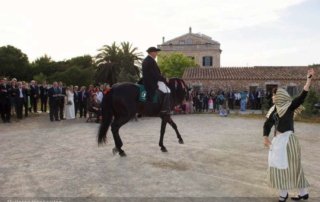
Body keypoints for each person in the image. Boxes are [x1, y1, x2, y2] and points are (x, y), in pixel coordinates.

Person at [263, 68, 314, 202]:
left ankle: (286, 194)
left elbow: (302, 96)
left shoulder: (289, 106)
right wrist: (265, 137)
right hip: (278, 142)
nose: (273, 97)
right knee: (280, 166)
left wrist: (308, 80)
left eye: (275, 95)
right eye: (273, 95)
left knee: (292, 167)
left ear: (280, 96)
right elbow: (267, 124)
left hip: (289, 142)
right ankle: (302, 193)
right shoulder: (273, 110)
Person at [142, 46, 171, 115]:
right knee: (167, 90)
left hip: (148, 80)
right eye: (155, 52)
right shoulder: (150, 61)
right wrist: (164, 79)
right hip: (152, 82)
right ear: (152, 52)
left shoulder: (147, 60)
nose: (156, 54)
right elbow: (155, 74)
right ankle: (164, 109)